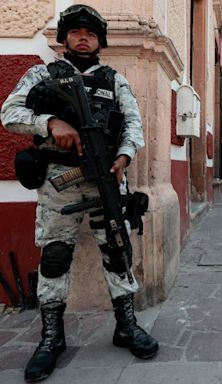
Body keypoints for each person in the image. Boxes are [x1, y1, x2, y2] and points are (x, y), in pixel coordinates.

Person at [1, 5, 158, 382]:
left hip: (106, 175)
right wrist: (49, 122)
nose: (82, 37)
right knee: (55, 254)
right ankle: (52, 337)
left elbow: (134, 124)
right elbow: (9, 113)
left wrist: (124, 155)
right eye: (74, 32)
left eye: (89, 32)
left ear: (100, 39)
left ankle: (126, 324)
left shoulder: (114, 79)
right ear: (65, 38)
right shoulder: (42, 73)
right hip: (60, 178)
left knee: (118, 251)